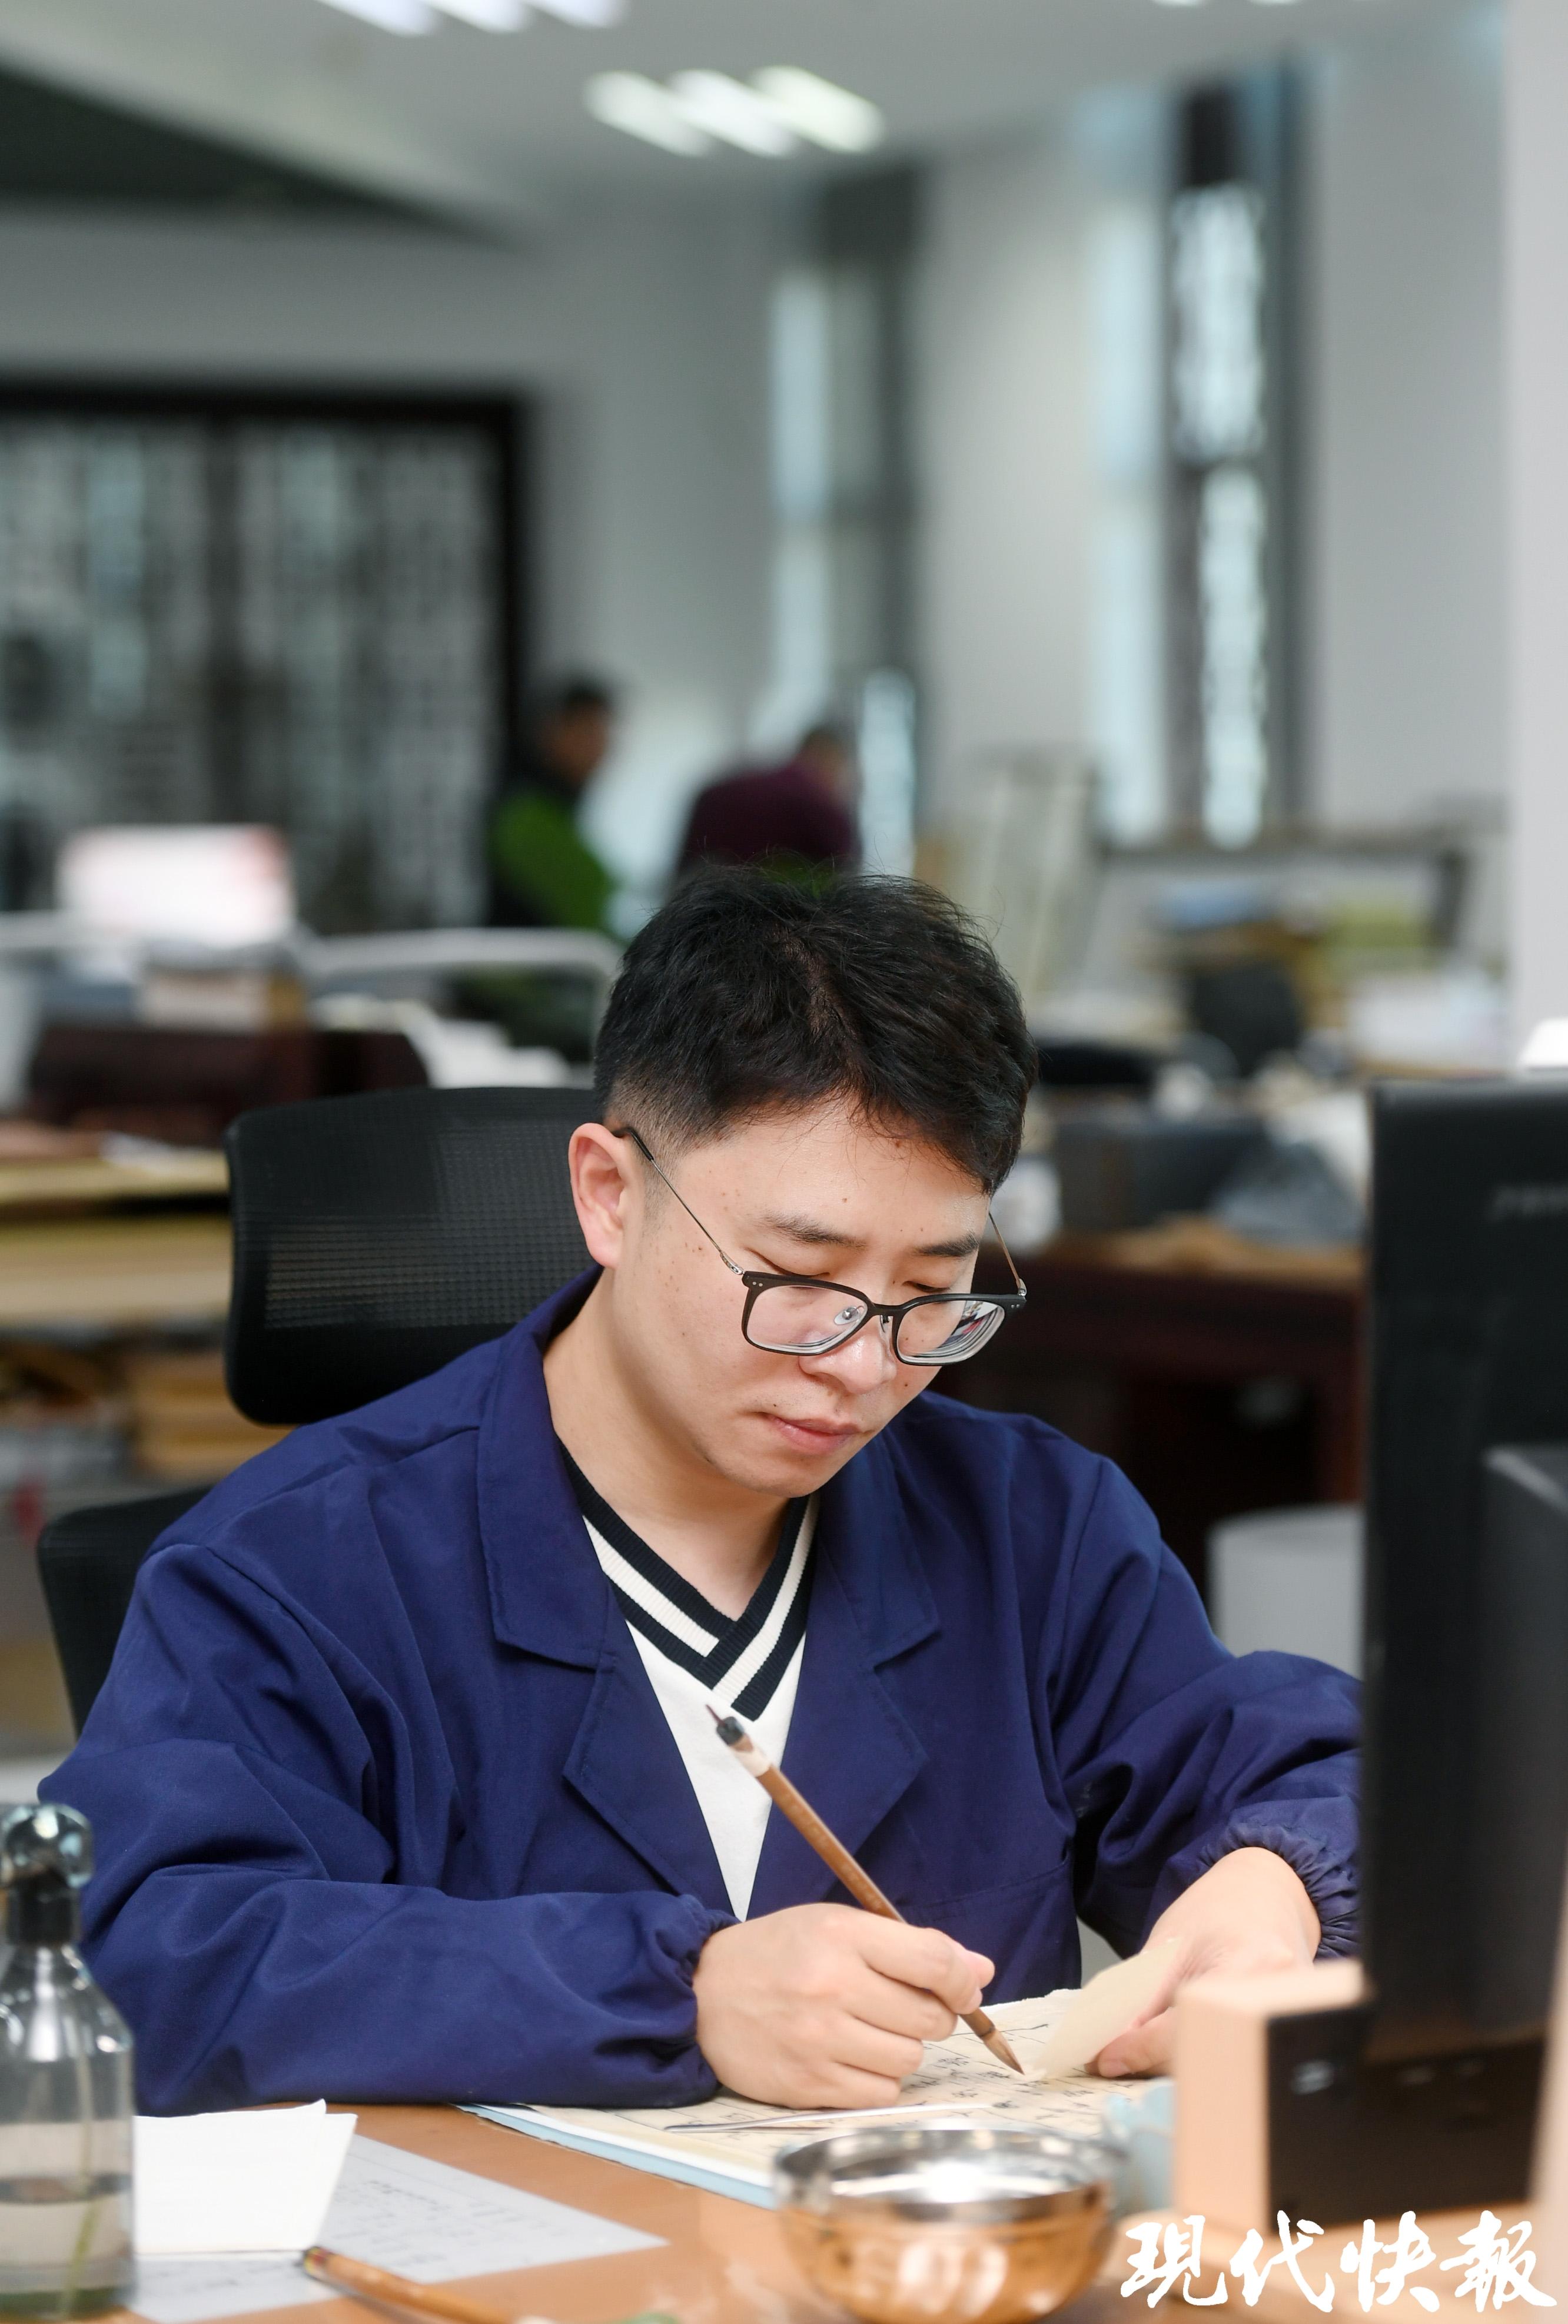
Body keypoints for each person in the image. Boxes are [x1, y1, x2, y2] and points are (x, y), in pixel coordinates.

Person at [44, 874, 1357, 2114]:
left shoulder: (1027, 1529)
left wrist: (1279, 1883)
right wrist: (675, 1995)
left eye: (929, 1293)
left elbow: (1319, 1770)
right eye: (799, 1278)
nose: (859, 1366)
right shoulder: (299, 1562)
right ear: (609, 1195)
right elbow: (153, 1951)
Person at [489, 675, 618, 932]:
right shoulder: (525, 815)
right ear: (550, 732)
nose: (600, 747)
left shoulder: (559, 809)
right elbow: (584, 913)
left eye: (604, 732)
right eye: (587, 731)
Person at [676, 724, 859, 882]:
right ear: (831, 757)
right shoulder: (820, 806)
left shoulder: (717, 794)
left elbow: (685, 872)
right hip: (777, 909)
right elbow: (846, 873)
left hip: (706, 904)